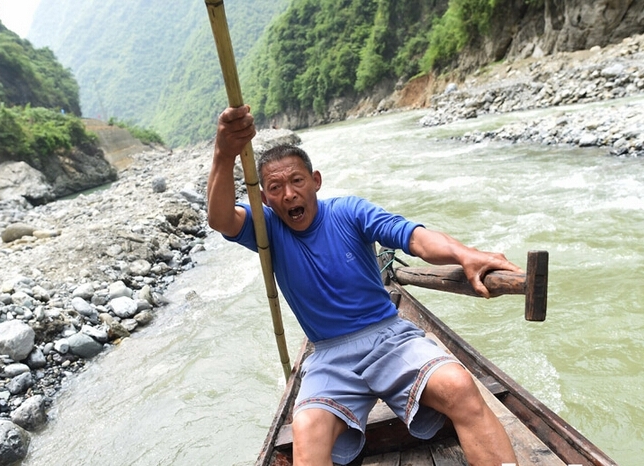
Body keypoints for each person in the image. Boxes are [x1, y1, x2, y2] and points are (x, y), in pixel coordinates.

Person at [207, 105, 520, 466]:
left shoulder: (348, 211)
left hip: (389, 337)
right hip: (329, 355)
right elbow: (220, 218)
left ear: (316, 181)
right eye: (275, 187)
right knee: (305, 430)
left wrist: (464, 254)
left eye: (297, 181)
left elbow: (414, 238)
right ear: (264, 197)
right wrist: (224, 151)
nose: (289, 194)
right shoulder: (266, 228)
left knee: (459, 387)